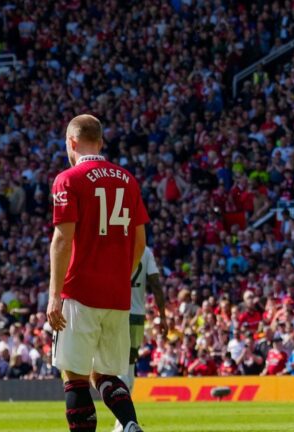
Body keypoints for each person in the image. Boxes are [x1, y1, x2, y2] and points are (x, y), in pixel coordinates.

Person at [47, 114, 149, 432]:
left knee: (74, 376)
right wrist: (120, 276)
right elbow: (140, 242)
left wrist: (54, 296)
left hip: (80, 290)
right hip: (117, 295)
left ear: (71, 142)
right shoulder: (128, 180)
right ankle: (129, 424)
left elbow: (62, 240)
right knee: (105, 374)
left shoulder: (68, 179)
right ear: (101, 142)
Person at [113, 246, 167, 432]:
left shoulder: (115, 246)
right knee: (128, 366)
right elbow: (156, 284)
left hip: (116, 313)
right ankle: (125, 421)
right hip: (136, 315)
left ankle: (123, 422)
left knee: (118, 367)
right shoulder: (146, 251)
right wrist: (163, 316)